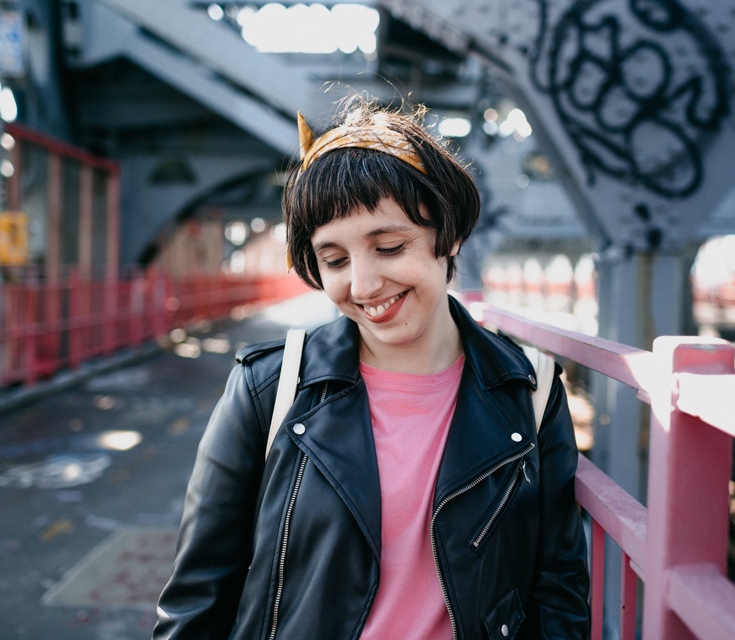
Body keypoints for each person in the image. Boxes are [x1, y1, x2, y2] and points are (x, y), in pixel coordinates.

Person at [153, 99, 589, 640]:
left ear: (448, 236)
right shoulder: (269, 390)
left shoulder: (532, 390)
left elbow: (558, 590)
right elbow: (197, 599)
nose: (362, 285)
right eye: (335, 260)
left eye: (388, 247)